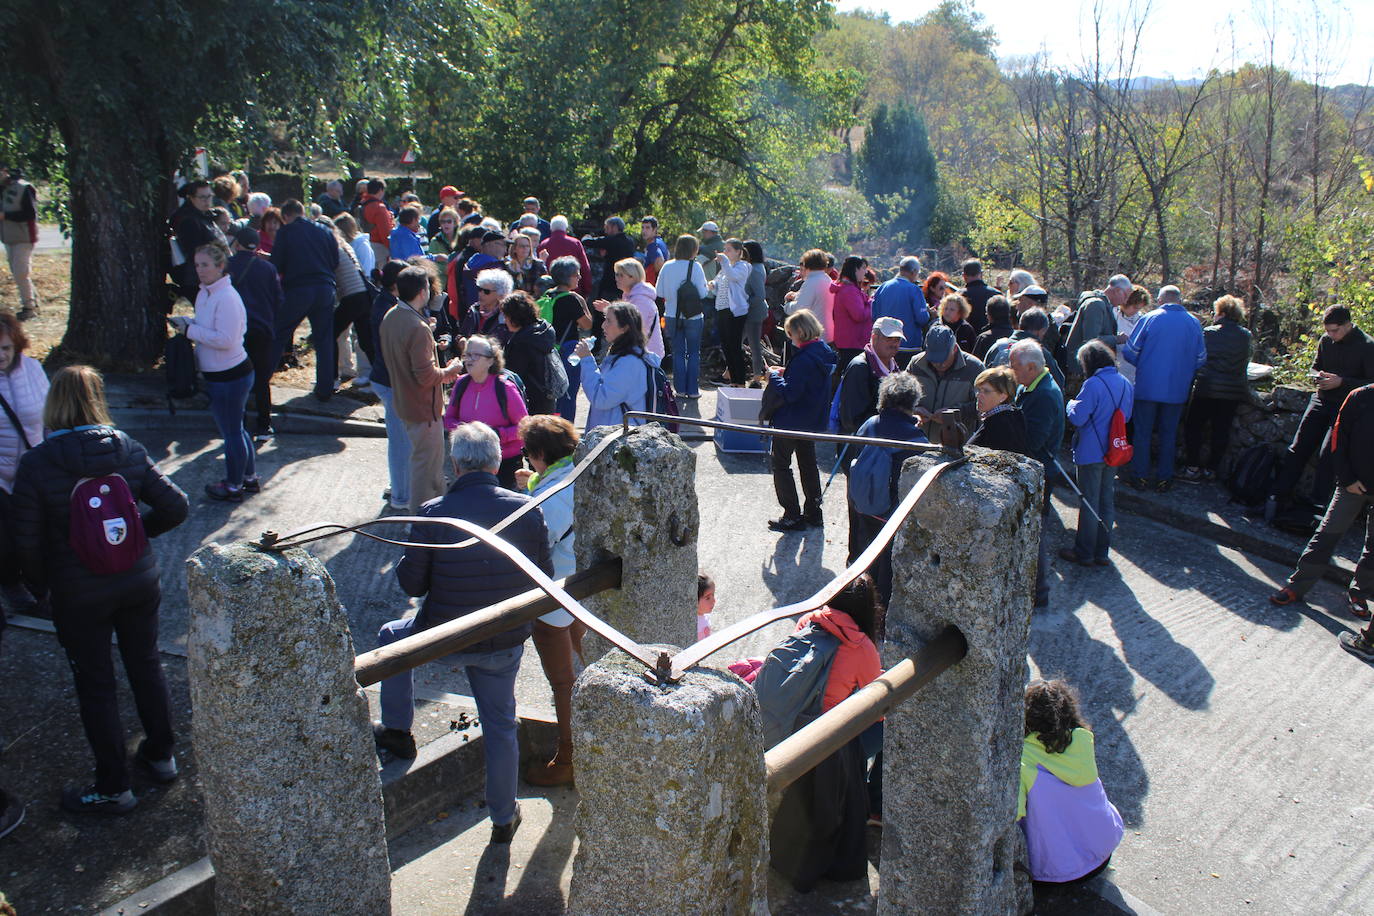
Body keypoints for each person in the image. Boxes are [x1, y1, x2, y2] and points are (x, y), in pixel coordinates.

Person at [11, 366, 189, 814]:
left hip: (78, 592)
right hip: (136, 580)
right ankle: (163, 755)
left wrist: (43, 585)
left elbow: (25, 543)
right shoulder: (126, 446)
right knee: (146, 665)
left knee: (96, 685)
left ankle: (114, 785)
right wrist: (136, 537)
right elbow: (176, 505)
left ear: (54, 403)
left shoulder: (37, 463)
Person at [373, 422, 550, 844]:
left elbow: (412, 585)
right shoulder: (527, 509)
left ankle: (397, 730)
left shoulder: (434, 512)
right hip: (502, 638)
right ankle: (503, 818)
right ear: (496, 462)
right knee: (501, 723)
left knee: (389, 638)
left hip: (444, 636)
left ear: (455, 463)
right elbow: (544, 576)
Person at [769, 574, 883, 892]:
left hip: (790, 727)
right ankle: (876, 805)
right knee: (889, 731)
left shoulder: (808, 621)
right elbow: (878, 706)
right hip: (829, 740)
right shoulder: (862, 648)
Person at [512, 415, 585, 786]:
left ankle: (569, 758)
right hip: (581, 588)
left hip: (554, 596)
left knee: (563, 681)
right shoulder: (576, 472)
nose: (525, 458)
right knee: (583, 668)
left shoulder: (551, 496)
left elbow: (538, 541)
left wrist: (529, 498)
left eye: (528, 452)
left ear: (540, 453)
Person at [1270, 382, 1374, 629]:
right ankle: (1297, 585)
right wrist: (1347, 479)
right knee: (1325, 537)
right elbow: (1338, 439)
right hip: (1351, 486)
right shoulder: (1359, 396)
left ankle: (1359, 593)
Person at [1265, 305, 1374, 520]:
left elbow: (1371, 383)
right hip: (1321, 400)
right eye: (1328, 331)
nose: (1331, 335)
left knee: (1329, 456)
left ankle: (1316, 507)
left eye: (1335, 331)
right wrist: (1318, 376)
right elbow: (1315, 367)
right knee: (1298, 447)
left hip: (1347, 407)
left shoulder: (1367, 346)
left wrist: (1342, 382)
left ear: (1347, 325)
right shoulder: (1325, 341)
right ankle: (1277, 496)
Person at [169, 243, 259, 501]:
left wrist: (190, 331)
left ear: (221, 266)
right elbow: (208, 327)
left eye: (206, 265)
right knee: (237, 430)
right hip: (219, 374)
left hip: (230, 375)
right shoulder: (204, 293)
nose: (200, 270)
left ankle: (233, 485)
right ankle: (248, 479)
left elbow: (226, 339)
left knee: (232, 433)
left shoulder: (227, 297)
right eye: (197, 265)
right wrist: (189, 324)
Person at [1019, 679, 1123, 884]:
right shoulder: (1082, 739)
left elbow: (1011, 814)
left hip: (1060, 871)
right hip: (1104, 850)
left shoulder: (1023, 760)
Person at [380, 266, 465, 511]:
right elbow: (426, 376)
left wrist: (429, 343)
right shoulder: (417, 328)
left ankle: (431, 515)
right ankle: (418, 521)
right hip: (423, 409)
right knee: (425, 468)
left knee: (424, 464)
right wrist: (452, 370)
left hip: (404, 403)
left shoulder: (392, 316)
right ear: (422, 290)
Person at [847, 373, 928, 595]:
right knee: (885, 574)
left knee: (864, 559)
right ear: (913, 401)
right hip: (891, 515)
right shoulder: (918, 441)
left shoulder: (869, 425)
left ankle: (857, 599)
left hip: (863, 507)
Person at [1120, 286, 1206, 492]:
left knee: (1142, 433)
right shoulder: (1194, 324)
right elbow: (1201, 359)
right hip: (1177, 391)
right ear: (1179, 300)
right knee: (1169, 435)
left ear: (1160, 300)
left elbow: (1130, 351)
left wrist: (1146, 365)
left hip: (1147, 387)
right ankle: (1164, 479)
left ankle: (1139, 476)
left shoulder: (1150, 319)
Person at [1061, 341, 1133, 567]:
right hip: (1114, 450)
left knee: (1089, 503)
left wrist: (1070, 404)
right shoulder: (1125, 383)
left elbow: (1077, 417)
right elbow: (1127, 416)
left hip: (1091, 451)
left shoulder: (1093, 384)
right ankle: (1102, 553)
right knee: (1106, 501)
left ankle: (1084, 553)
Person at [765, 310, 837, 532]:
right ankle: (814, 512)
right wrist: (789, 372)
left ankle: (792, 515)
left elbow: (790, 394)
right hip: (811, 420)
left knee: (781, 464)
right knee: (807, 464)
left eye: (790, 333)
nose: (789, 338)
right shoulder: (823, 352)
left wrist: (774, 377)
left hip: (791, 420)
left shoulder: (804, 358)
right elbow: (807, 382)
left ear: (799, 332)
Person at [1011, 339, 1064, 609]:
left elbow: (1031, 441)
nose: (1011, 372)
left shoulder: (1043, 395)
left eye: (1015, 367)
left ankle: (1039, 592)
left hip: (1040, 471)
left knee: (1036, 533)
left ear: (1031, 367)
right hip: (1037, 469)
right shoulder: (1032, 386)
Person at [0, 311, 47, 614]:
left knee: (37, 537)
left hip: (34, 472)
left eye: (5, 348)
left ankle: (40, 588)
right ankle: (11, 585)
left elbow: (52, 417)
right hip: (0, 478)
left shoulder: (33, 369)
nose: (0, 355)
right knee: (5, 540)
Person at [270, 199, 340, 401]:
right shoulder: (325, 231)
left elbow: (277, 264)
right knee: (324, 339)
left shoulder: (286, 232)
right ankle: (325, 388)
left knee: (279, 333)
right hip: (325, 288)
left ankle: (261, 378)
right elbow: (334, 261)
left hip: (298, 288)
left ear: (285, 217)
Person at [1180, 295, 1253, 482]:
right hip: (1232, 392)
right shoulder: (1245, 336)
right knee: (1221, 430)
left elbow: (1197, 358)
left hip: (1207, 387)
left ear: (1220, 313)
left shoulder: (1209, 333)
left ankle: (1192, 466)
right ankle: (1212, 469)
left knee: (1194, 427)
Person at [442, 335, 528, 488]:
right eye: (467, 354)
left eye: (476, 355)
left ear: (490, 360)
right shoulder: (461, 383)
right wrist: (469, 433)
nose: (469, 359)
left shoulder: (505, 388)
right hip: (468, 463)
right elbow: (448, 419)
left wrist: (495, 434)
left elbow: (524, 428)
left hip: (503, 462)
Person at [226, 227, 282, 442]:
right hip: (262, 329)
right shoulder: (268, 268)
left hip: (236, 330)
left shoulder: (227, 267)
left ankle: (237, 423)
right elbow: (279, 300)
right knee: (261, 379)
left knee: (236, 376)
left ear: (237, 244)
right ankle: (264, 425)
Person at [576, 301, 660, 429]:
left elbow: (601, 398)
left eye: (609, 321)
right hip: (613, 434)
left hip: (617, 438)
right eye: (605, 319)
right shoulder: (622, 355)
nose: (603, 325)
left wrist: (587, 360)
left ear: (625, 328)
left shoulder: (629, 362)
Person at [368, 261, 411, 509]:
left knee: (400, 439)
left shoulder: (385, 302)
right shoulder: (388, 308)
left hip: (385, 379)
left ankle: (399, 486)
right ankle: (401, 495)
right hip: (390, 381)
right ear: (397, 284)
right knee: (400, 441)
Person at [907, 324, 984, 445]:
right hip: (918, 442)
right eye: (934, 359)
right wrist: (913, 409)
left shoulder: (974, 368)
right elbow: (903, 398)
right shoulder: (915, 364)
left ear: (954, 348)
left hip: (956, 445)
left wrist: (957, 413)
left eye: (943, 359)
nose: (939, 364)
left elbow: (984, 406)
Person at [656, 234, 710, 400]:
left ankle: (679, 389)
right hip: (693, 316)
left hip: (672, 315)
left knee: (678, 352)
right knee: (694, 353)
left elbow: (660, 292)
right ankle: (693, 390)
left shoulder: (667, 266)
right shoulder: (696, 267)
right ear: (694, 249)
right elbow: (703, 293)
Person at [541, 256, 593, 422]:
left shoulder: (548, 294)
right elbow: (587, 324)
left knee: (552, 390)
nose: (579, 277)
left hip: (549, 348)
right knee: (568, 392)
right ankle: (566, 426)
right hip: (568, 349)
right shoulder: (571, 299)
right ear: (567, 276)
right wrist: (583, 303)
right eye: (576, 274)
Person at [838, 317, 903, 436]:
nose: (894, 343)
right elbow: (852, 420)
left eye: (897, 339)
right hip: (861, 447)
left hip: (882, 443)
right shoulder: (859, 367)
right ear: (874, 337)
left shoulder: (895, 369)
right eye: (889, 338)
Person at [500, 291, 559, 416]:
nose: (504, 321)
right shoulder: (545, 330)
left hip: (527, 402)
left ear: (514, 316)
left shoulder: (520, 342)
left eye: (506, 316)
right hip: (547, 399)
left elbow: (513, 376)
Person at [1064, 275, 1131, 377]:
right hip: (1081, 370)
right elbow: (1091, 340)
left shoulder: (1104, 305)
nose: (1125, 301)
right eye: (1125, 296)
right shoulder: (1096, 305)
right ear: (1117, 290)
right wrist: (1116, 339)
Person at [169, 180, 225, 304]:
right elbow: (195, 252)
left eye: (209, 196)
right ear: (192, 198)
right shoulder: (188, 220)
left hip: (207, 274)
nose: (207, 200)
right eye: (202, 197)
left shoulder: (202, 215)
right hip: (198, 279)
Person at [596, 258, 662, 358]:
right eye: (616, 274)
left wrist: (612, 311)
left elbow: (632, 326)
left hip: (646, 355)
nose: (616, 278)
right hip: (638, 353)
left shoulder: (640, 300)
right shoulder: (631, 296)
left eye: (621, 275)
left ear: (633, 277)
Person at [985, 308, 1065, 388]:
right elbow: (1059, 383)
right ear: (1042, 331)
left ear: (1020, 325)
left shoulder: (998, 346)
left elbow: (983, 376)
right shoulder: (1039, 353)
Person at [709, 238, 752, 386]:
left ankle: (740, 380)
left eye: (728, 250)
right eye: (724, 249)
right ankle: (733, 379)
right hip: (722, 309)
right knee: (726, 345)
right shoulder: (726, 266)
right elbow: (719, 279)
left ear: (738, 252)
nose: (725, 252)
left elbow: (732, 276)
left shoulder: (743, 266)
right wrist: (712, 284)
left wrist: (724, 261)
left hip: (735, 312)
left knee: (734, 346)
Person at [870, 256, 928, 360]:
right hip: (909, 346)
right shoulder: (914, 290)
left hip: (883, 346)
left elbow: (874, 316)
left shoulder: (882, 287)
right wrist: (929, 314)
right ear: (914, 271)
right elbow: (922, 319)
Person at [2, 167, 40, 319]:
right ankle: (34, 302)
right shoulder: (2, 190)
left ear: (4, 171)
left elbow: (30, 213)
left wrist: (5, 215)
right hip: (8, 237)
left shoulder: (23, 188)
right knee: (19, 273)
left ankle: (29, 308)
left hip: (24, 236)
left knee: (21, 273)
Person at [966, 366, 1028, 454]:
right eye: (978, 390)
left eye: (986, 391)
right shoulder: (1004, 417)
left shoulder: (1001, 425)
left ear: (1003, 396)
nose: (978, 395)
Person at [830, 256, 873, 375]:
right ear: (855, 269)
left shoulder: (848, 289)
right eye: (863, 268)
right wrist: (870, 304)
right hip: (852, 343)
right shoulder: (850, 291)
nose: (866, 271)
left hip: (848, 341)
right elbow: (858, 315)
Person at [582, 217, 638, 304]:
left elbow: (588, 242)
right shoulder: (630, 241)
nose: (605, 231)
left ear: (614, 227)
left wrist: (586, 237)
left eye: (607, 228)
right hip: (626, 280)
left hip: (610, 280)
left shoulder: (611, 240)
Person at [784, 249, 836, 343]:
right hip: (827, 332)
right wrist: (797, 296)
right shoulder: (827, 280)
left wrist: (787, 305)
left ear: (806, 264)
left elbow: (800, 309)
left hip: (810, 335)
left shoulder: (811, 282)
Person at [537, 215, 592, 298]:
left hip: (549, 291)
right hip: (573, 290)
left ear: (551, 228)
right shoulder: (575, 243)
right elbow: (585, 267)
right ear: (566, 228)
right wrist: (586, 290)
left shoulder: (543, 244)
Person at [742, 240, 769, 378]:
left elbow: (759, 295)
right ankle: (728, 373)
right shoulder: (755, 267)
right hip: (751, 312)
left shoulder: (755, 269)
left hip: (753, 313)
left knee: (754, 347)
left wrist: (743, 303)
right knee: (737, 343)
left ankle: (757, 377)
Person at [1113, 286, 1149, 384]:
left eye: (1139, 308)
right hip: (1115, 367)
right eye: (1134, 307)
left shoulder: (1143, 319)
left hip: (1133, 371)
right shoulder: (1113, 314)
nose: (1136, 311)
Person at [360, 179, 394, 268]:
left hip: (365, 245)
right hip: (380, 250)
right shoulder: (379, 208)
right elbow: (386, 233)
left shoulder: (362, 204)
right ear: (380, 190)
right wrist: (393, 249)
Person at [961, 258, 999, 332]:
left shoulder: (959, 296)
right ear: (981, 274)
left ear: (964, 276)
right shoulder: (996, 295)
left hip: (966, 340)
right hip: (992, 338)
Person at [973, 295, 1015, 362]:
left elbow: (976, 366)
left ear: (989, 315)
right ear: (1008, 313)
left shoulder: (984, 338)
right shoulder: (1016, 336)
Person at [638, 216, 669, 284]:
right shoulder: (659, 241)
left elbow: (660, 262)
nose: (644, 231)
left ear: (654, 229)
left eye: (648, 228)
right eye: (642, 227)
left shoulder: (653, 245)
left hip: (653, 286)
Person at [697, 573, 716, 640]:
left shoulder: (705, 616)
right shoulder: (694, 625)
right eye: (707, 598)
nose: (714, 601)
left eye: (713, 595)